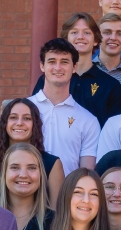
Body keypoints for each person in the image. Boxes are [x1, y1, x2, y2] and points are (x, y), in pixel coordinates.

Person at [31, 13, 121, 127]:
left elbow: (116, 129)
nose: (80, 37)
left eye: (87, 32)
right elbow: (33, 116)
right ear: (66, 39)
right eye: (74, 32)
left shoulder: (110, 85)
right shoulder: (47, 79)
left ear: (96, 40)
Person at [29, 39, 101, 174]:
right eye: (52, 62)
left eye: (64, 62)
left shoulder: (88, 120)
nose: (58, 67)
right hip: (26, 191)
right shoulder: (23, 111)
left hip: (67, 193)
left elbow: (86, 173)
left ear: (74, 67)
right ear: (42, 66)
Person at [0, 98, 65, 202]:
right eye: (13, 117)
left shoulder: (52, 164)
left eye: (27, 118)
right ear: (5, 122)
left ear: (35, 124)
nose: (19, 123)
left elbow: (58, 212)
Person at [96, 14, 121, 111]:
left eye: (119, 34)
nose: (113, 38)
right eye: (107, 32)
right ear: (97, 37)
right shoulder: (85, 73)